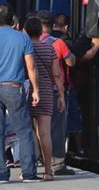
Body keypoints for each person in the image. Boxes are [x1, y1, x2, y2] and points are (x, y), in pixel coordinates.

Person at [0, 4, 42, 183]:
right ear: (13, 19)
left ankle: (1, 174)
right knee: (23, 131)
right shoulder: (22, 38)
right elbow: (30, 66)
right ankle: (28, 174)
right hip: (13, 88)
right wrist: (35, 90)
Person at [24, 17, 65, 181]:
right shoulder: (49, 49)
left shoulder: (23, 49)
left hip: (27, 92)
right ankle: (48, 172)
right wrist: (61, 95)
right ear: (41, 32)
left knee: (26, 134)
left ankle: (28, 171)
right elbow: (56, 74)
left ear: (26, 31)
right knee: (45, 134)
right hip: (47, 93)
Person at [36, 10, 76, 176]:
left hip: (35, 91)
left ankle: (38, 160)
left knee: (37, 128)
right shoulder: (58, 43)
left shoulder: (29, 42)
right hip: (53, 90)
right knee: (57, 128)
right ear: (52, 26)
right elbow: (70, 61)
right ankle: (57, 164)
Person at [51, 14, 85, 157]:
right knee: (71, 118)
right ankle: (76, 150)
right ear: (66, 27)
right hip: (64, 87)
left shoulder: (39, 40)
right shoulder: (62, 42)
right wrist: (96, 47)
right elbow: (72, 61)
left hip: (42, 88)